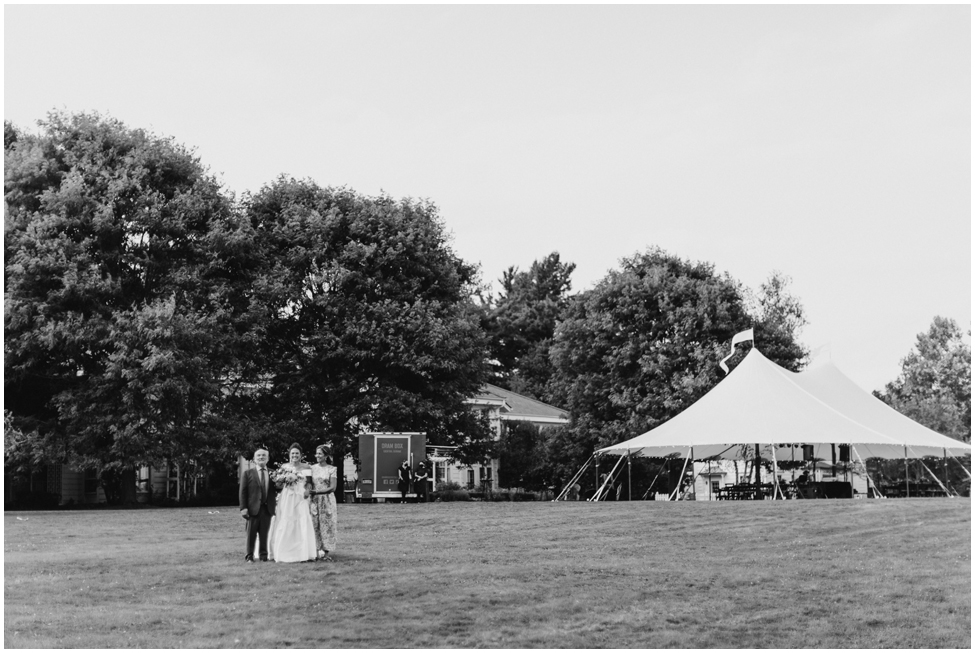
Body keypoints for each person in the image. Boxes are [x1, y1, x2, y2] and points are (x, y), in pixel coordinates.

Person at [267, 443, 317, 563]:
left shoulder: (306, 467)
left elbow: (309, 483)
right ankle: (283, 550)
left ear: (301, 455)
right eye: (292, 453)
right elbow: (279, 484)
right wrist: (280, 480)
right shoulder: (284, 467)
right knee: (286, 519)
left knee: (301, 520)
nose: (295, 455)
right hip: (287, 497)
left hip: (300, 497)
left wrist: (307, 491)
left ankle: (303, 552)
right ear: (289, 454)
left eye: (297, 453)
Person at [239, 448, 277, 563]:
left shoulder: (273, 473)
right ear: (255, 459)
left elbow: (277, 489)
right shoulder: (247, 473)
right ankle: (249, 556)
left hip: (267, 508)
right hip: (252, 509)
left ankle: (263, 556)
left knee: (265, 534)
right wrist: (243, 508)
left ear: (268, 458)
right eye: (259, 456)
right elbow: (243, 492)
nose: (261, 458)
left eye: (264, 456)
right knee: (251, 534)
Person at [309, 445, 338, 561]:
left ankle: (326, 553)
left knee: (327, 525)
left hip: (327, 500)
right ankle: (315, 552)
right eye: (316, 453)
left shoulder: (332, 469)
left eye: (320, 454)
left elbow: (333, 487)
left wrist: (317, 491)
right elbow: (308, 483)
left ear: (326, 456)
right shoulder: (311, 468)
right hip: (314, 500)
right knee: (314, 524)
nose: (317, 456)